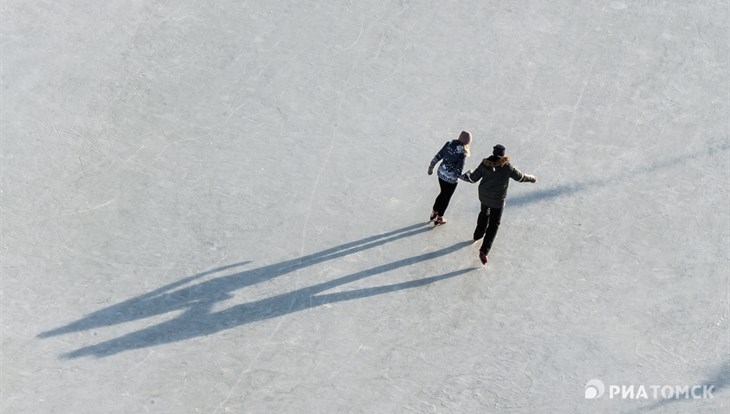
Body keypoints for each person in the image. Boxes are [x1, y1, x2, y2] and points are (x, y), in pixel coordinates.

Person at [460, 144, 537, 265]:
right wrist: (532, 178)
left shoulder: (484, 164)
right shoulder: (507, 167)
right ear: (503, 155)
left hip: (484, 197)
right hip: (497, 200)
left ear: (493, 152)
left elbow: (473, 179)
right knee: (494, 224)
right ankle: (484, 251)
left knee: (484, 213)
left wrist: (466, 174)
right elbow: (521, 177)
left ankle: (477, 235)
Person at [428, 131, 472, 225]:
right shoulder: (462, 154)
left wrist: (431, 167)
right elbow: (458, 172)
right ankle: (439, 217)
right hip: (451, 180)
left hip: (441, 174)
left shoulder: (449, 144)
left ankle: (434, 213)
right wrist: (468, 177)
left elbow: (438, 156)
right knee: (446, 197)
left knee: (442, 193)